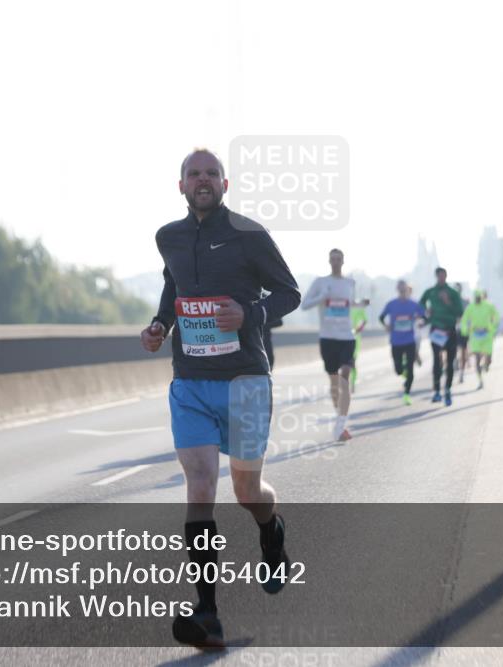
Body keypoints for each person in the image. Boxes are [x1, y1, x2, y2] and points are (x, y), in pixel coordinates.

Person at [141, 148, 301, 649]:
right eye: (194, 174)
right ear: (181, 186)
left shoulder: (250, 235)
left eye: (211, 174)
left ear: (225, 185)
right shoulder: (169, 237)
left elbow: (289, 293)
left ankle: (271, 531)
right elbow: (174, 285)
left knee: (247, 492)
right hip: (189, 381)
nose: (203, 180)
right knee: (200, 486)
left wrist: (248, 313)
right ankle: (208, 613)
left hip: (245, 381)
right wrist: (160, 324)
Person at [301, 249, 368, 441]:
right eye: (333, 259)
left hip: (347, 337)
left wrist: (359, 303)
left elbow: (347, 304)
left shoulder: (349, 283)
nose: (336, 262)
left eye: (339, 259)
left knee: (345, 375)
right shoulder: (321, 282)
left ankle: (340, 425)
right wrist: (322, 297)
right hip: (328, 338)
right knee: (334, 381)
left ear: (343, 261)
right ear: (329, 261)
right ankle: (339, 418)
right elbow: (304, 305)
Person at [419, 267, 464, 406]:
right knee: (437, 361)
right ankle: (437, 391)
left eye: (443, 276)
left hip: (449, 330)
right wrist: (426, 312)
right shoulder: (430, 292)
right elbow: (420, 305)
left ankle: (448, 390)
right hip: (436, 330)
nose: (441, 278)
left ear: (446, 276)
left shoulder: (453, 293)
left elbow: (460, 312)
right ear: (436, 276)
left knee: (450, 362)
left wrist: (448, 302)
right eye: (439, 276)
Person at [379, 280, 427, 405]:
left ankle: (407, 394)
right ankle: (403, 371)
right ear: (397, 289)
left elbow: (425, 316)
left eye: (404, 289)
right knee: (398, 370)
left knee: (410, 370)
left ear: (407, 290)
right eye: (400, 289)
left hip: (409, 341)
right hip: (395, 341)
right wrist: (386, 325)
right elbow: (381, 317)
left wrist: (421, 321)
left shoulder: (413, 304)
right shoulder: (391, 304)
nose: (402, 291)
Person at [460, 289, 500, 388]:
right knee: (477, 359)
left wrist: (493, 328)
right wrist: (465, 330)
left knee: (489, 359)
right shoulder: (470, 307)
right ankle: (480, 380)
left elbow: (496, 317)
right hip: (475, 336)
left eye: (479, 297)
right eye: (476, 297)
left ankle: (486, 365)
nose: (478, 299)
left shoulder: (489, 306)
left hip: (487, 335)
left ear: (482, 297)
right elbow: (464, 320)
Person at [349, 303, 368, 393]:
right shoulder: (339, 306)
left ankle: (352, 382)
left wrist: (358, 329)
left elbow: (365, 320)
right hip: (340, 338)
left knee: (352, 363)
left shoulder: (358, 308)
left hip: (354, 339)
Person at [454, 282, 470, 384]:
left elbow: (470, 316)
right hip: (452, 329)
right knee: (452, 351)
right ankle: (454, 363)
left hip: (463, 330)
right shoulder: (449, 302)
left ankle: (461, 374)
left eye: (458, 289)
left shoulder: (465, 302)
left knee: (463, 351)